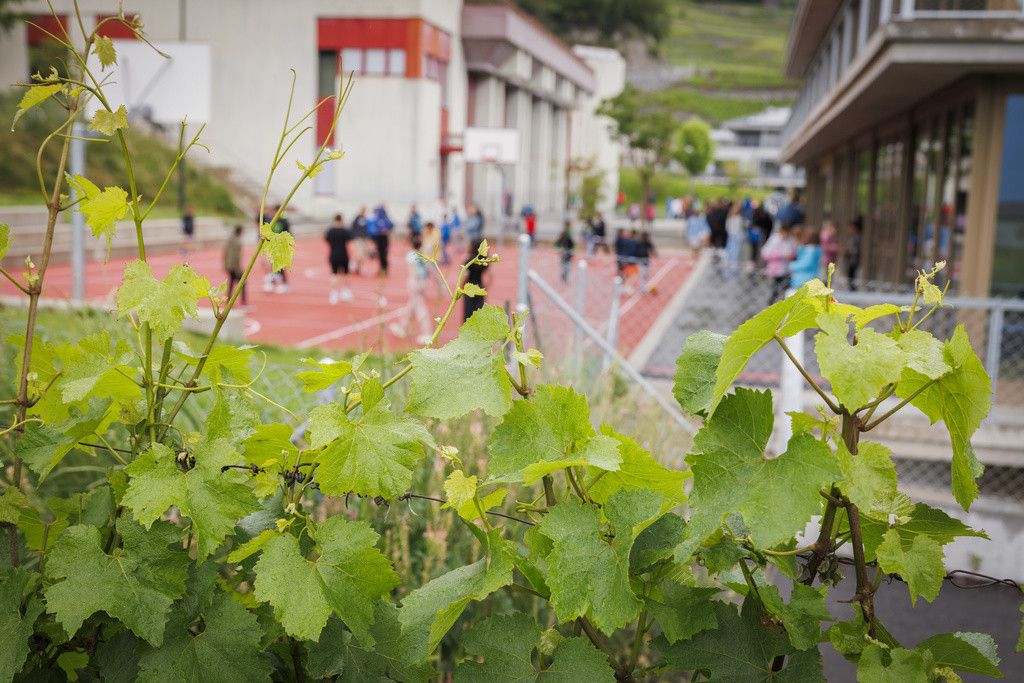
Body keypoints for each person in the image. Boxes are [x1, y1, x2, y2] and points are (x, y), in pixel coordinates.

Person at [389, 233, 432, 345]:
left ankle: (427, 332)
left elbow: (413, 270)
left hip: (415, 282)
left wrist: (414, 284)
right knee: (411, 306)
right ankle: (402, 327)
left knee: (420, 308)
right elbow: (428, 269)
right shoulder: (422, 254)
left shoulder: (411, 255)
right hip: (422, 281)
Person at [761, 224, 797, 304]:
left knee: (786, 290)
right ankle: (770, 307)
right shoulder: (774, 240)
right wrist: (780, 255)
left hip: (787, 270)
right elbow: (765, 254)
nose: (785, 235)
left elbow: (795, 253)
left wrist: (791, 255)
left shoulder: (791, 240)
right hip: (775, 271)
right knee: (774, 291)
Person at [324, 213, 353, 304]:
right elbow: (350, 243)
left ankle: (334, 294)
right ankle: (345, 292)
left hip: (333, 255)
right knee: (345, 274)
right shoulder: (345, 231)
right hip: (343, 255)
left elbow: (327, 241)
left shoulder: (330, 231)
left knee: (334, 274)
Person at [462, 239, 491, 322]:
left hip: (469, 288)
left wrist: (462, 286)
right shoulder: (484, 260)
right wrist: (485, 287)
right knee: (479, 311)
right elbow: (490, 276)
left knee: (468, 312)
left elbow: (465, 275)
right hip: (479, 287)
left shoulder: (469, 260)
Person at [223, 224, 246, 306]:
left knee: (232, 283)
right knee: (242, 283)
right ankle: (243, 302)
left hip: (229, 265)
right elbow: (236, 256)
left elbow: (225, 252)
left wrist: (225, 264)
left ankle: (229, 300)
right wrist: (238, 268)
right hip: (234, 266)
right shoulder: (237, 241)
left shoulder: (230, 239)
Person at [271, 206, 291, 293]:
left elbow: (287, 232)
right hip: (275, 245)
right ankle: (275, 283)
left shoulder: (283, 220)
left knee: (281, 266)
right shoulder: (274, 219)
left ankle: (284, 284)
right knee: (275, 264)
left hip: (282, 245)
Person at [370, 205, 394, 276]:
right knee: (380, 255)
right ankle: (382, 269)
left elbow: (391, 225)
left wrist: (387, 230)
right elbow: (373, 228)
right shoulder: (377, 218)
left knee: (384, 255)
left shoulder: (384, 218)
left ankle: (384, 270)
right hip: (379, 238)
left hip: (383, 238)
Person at [749, 200, 773, 265]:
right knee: (761, 248)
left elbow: (752, 223)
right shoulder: (766, 214)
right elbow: (769, 225)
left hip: (757, 234)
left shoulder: (755, 213)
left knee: (755, 248)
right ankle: (761, 261)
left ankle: (754, 261)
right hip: (763, 233)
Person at [725, 202, 744, 277]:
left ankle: (733, 272)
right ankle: (728, 271)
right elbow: (728, 228)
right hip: (731, 237)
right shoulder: (729, 218)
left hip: (736, 237)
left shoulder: (739, 218)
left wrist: (739, 237)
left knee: (735, 255)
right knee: (729, 254)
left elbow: (740, 229)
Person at [350, 207, 370, 275]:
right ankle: (354, 267)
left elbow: (368, 229)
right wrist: (353, 237)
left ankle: (360, 268)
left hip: (364, 239)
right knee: (358, 254)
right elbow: (352, 228)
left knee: (363, 254)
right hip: (358, 238)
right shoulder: (356, 219)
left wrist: (368, 238)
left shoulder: (366, 219)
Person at [845, 216, 863, 291]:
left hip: (853, 261)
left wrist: (847, 251)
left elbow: (854, 250)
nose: (848, 229)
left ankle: (852, 291)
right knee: (851, 277)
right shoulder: (853, 237)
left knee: (852, 278)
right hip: (851, 261)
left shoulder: (856, 237)